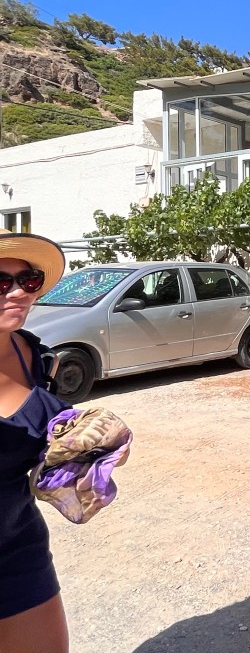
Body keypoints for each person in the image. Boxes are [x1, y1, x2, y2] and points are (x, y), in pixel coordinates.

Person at [0, 228, 72, 652]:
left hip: (19, 547)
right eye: (0, 282)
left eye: (28, 280)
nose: (18, 293)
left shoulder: (37, 355)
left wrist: (83, 452)